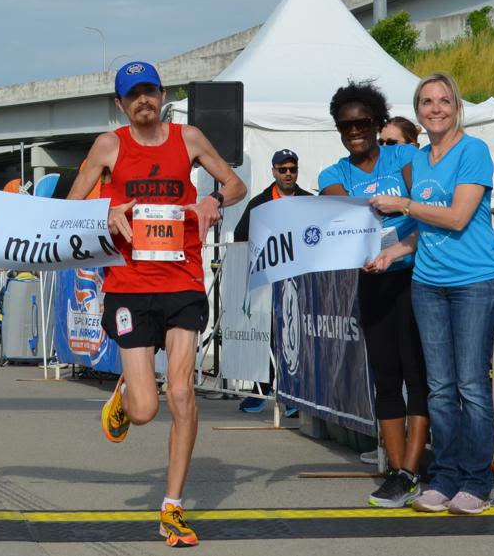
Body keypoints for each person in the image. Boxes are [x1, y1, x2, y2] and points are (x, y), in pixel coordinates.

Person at [67, 61, 246, 548]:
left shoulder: (188, 138)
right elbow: (69, 207)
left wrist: (215, 202)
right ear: (121, 104)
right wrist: (109, 209)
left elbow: (235, 184)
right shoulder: (109, 146)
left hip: (183, 280)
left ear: (162, 95)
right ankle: (126, 396)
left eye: (150, 91)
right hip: (128, 286)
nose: (143, 100)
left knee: (183, 392)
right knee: (147, 410)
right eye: (133, 94)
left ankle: (172, 508)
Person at [368, 72, 494, 516]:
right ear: (418, 112)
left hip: (475, 283)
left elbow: (458, 217)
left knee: (470, 385)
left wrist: (405, 206)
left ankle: (476, 481)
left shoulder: (474, 151)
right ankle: (444, 477)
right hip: (428, 284)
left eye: (443, 100)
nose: (435, 108)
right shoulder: (422, 158)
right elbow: (425, 230)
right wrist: (393, 253)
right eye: (426, 102)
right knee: (440, 388)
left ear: (457, 106)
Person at [319, 81, 429, 508]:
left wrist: (396, 203)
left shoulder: (403, 154)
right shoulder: (334, 174)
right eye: (346, 125)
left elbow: (417, 194)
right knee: (386, 378)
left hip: (415, 273)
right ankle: (397, 471)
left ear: (378, 122)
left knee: (418, 376)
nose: (355, 131)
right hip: (373, 278)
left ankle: (410, 471)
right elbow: (340, 210)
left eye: (363, 122)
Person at [231, 148, 312, 414]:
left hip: (300, 282)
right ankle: (260, 390)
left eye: (292, 169)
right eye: (283, 169)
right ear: (274, 171)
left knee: (294, 338)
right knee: (265, 335)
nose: (288, 174)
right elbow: (240, 234)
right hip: (266, 281)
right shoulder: (260, 201)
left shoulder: (309, 200)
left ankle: (293, 395)